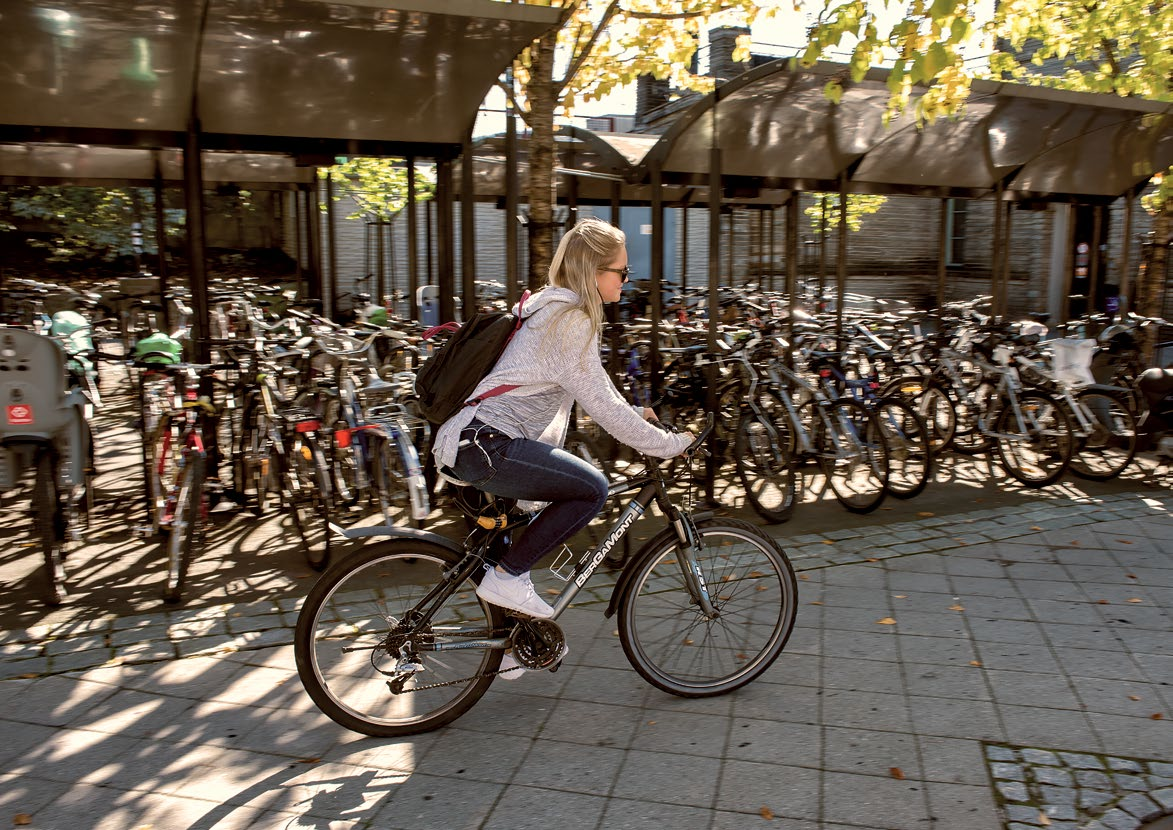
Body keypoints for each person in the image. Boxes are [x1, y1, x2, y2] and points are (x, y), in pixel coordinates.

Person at [433, 217, 694, 678]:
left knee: (521, 531)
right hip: (489, 444)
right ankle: (507, 580)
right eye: (622, 271)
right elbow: (603, 405)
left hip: (479, 440)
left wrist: (637, 415)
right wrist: (669, 444)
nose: (626, 281)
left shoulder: (553, 310)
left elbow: (598, 392)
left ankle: (514, 641)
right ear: (594, 272)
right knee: (591, 488)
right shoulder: (571, 319)